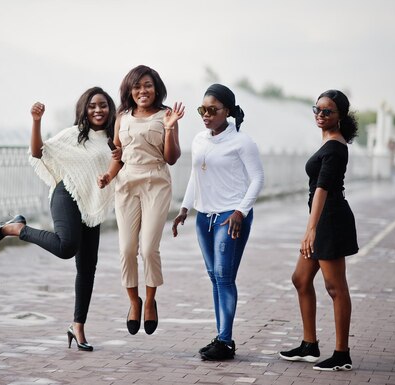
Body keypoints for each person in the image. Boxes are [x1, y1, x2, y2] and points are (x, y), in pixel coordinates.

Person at [0, 87, 117, 351]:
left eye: (103, 105)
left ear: (110, 109)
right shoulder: (74, 135)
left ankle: (78, 327)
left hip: (91, 202)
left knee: (87, 268)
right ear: (84, 109)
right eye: (93, 105)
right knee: (66, 247)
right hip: (67, 194)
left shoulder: (114, 139)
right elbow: (39, 152)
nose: (98, 110)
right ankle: (19, 229)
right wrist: (36, 121)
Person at [171, 84, 264, 361]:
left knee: (224, 277)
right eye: (203, 109)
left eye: (213, 110)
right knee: (214, 277)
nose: (206, 114)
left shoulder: (242, 142)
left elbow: (258, 179)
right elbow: (194, 176)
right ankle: (221, 337)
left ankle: (225, 341)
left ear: (228, 112)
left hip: (230, 217)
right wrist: (184, 208)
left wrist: (240, 211)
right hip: (204, 217)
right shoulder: (200, 139)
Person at [97, 65, 185, 336]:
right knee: (126, 249)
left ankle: (150, 301)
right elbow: (118, 157)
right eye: (137, 87)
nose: (142, 91)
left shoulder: (166, 115)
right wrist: (108, 177)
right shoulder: (122, 117)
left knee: (148, 249)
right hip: (126, 185)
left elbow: (171, 158)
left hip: (156, 182)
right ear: (130, 91)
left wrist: (169, 130)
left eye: (147, 85)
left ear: (156, 88)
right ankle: (133, 302)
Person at [278, 89, 359, 371]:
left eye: (327, 111)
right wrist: (312, 226)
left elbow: (323, 188)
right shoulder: (328, 143)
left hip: (331, 221)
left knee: (335, 288)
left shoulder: (336, 147)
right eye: (317, 109)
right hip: (322, 220)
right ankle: (309, 345)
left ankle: (342, 353)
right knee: (301, 279)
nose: (320, 115)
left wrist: (310, 229)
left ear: (339, 117)